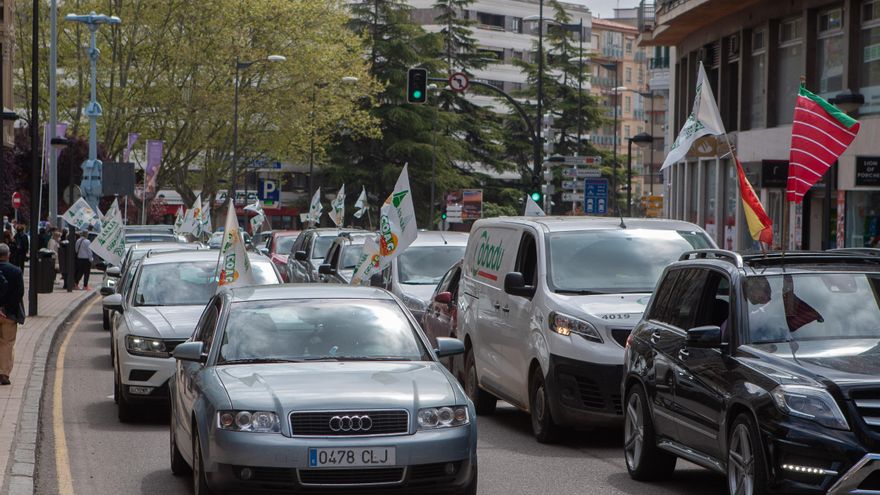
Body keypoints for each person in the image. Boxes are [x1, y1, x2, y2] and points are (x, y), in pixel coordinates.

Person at [0, 243, 25, 385]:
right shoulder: (16, 271)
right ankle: (4, 373)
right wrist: (6, 309)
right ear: (8, 255)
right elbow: (19, 293)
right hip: (9, 314)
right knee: (7, 343)